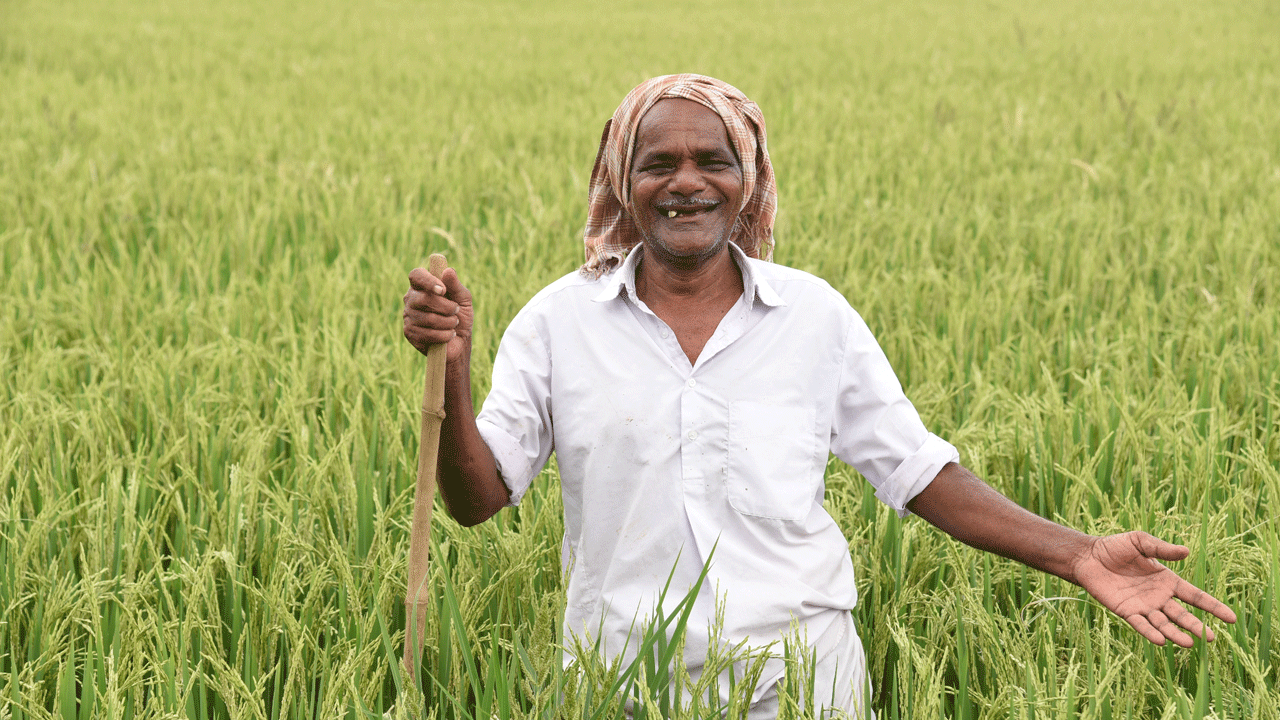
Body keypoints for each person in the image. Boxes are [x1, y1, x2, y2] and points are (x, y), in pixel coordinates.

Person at [401, 74, 1236, 717]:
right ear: (623, 183)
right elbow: (478, 499)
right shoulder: (559, 322)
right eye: (658, 163)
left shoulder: (813, 316)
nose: (685, 183)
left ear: (747, 178)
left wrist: (1077, 552)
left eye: (712, 162)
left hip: (801, 684)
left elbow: (917, 473)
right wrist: (457, 360)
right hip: (627, 684)